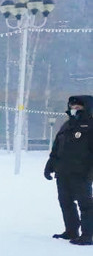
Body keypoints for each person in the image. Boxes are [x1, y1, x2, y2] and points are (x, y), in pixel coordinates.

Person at [45, 95, 93, 245]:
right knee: (65, 202)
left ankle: (87, 235)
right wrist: (50, 165)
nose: (74, 109)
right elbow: (57, 148)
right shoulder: (66, 125)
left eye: (78, 107)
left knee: (85, 204)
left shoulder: (90, 126)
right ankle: (71, 230)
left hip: (82, 173)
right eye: (72, 107)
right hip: (63, 172)